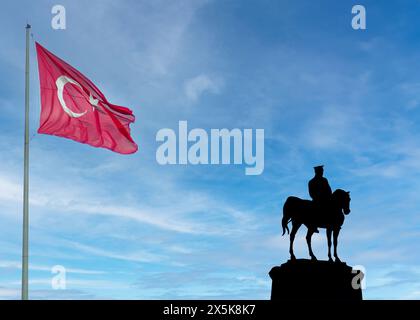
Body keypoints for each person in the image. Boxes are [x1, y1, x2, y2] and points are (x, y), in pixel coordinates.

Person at [308, 165, 332, 233]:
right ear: (316, 172)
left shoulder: (324, 180)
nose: (322, 172)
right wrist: (318, 197)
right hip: (317, 200)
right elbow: (311, 193)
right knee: (314, 210)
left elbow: (329, 190)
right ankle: (313, 225)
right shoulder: (312, 181)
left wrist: (329, 197)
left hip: (326, 199)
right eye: (321, 171)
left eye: (322, 171)